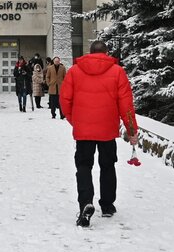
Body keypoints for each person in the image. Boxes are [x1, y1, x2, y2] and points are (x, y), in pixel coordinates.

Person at [59, 41, 138, 227]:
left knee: (84, 166)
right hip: (107, 129)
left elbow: (65, 100)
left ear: (90, 52)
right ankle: (108, 205)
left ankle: (86, 202)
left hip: (84, 130)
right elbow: (126, 104)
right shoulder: (117, 71)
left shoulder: (75, 71)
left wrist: (75, 120)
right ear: (106, 53)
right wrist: (132, 130)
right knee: (108, 165)